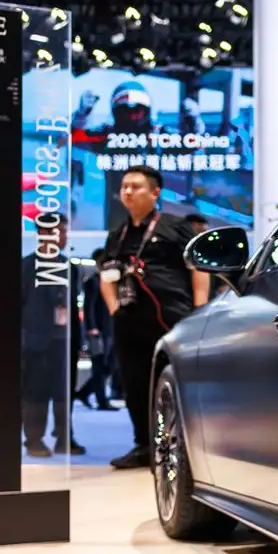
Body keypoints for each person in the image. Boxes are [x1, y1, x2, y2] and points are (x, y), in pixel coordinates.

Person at [100, 165, 209, 469]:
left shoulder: (175, 227)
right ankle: (144, 446)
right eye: (124, 186)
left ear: (155, 192)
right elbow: (105, 276)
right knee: (134, 384)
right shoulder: (118, 235)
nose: (128, 192)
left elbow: (198, 268)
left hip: (171, 319)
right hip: (128, 321)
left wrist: (199, 309)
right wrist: (114, 309)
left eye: (135, 186)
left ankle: (181, 446)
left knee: (173, 381)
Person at [20, 214, 85, 458]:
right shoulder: (26, 267)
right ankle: (34, 439)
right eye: (59, 232)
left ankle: (64, 437)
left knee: (64, 392)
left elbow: (72, 306)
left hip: (64, 340)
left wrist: (78, 339)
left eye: (65, 232)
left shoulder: (69, 267)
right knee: (34, 391)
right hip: (34, 341)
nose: (63, 237)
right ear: (43, 234)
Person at [75, 249, 118, 411]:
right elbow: (89, 306)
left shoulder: (109, 280)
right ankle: (101, 400)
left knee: (109, 365)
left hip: (109, 329)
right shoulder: (92, 281)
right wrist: (91, 327)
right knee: (99, 366)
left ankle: (83, 392)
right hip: (98, 331)